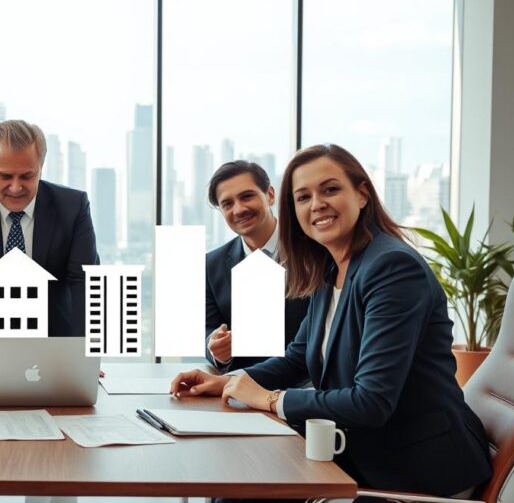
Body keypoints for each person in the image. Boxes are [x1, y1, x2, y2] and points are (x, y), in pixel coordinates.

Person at [170, 144, 492, 498]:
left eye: (330, 189)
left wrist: (270, 399)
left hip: (416, 469)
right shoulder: (330, 267)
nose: (317, 204)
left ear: (362, 194)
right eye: (303, 197)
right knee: (232, 481)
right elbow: (297, 358)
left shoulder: (392, 268)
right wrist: (227, 381)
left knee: (241, 490)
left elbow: (371, 401)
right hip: (358, 451)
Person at [0, 120, 100, 373]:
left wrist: (83, 353)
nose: (16, 187)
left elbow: (83, 282)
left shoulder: (73, 207)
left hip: (55, 353)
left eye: (27, 176)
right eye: (5, 176)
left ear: (41, 168)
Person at [204, 160, 308, 372]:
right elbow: (208, 328)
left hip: (309, 387)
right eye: (227, 204)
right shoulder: (211, 265)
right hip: (240, 389)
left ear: (270, 195)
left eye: (247, 196)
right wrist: (215, 347)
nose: (239, 209)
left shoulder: (314, 250)